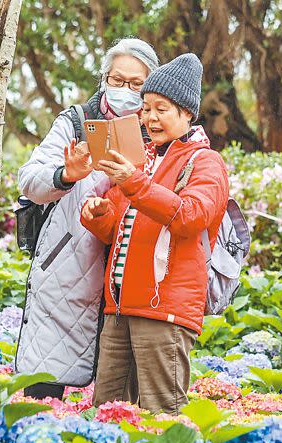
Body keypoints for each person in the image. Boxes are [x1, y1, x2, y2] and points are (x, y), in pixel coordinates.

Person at [80, 53, 229, 414]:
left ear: (187, 113)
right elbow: (116, 224)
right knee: (108, 413)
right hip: (119, 308)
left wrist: (133, 181)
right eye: (146, 109)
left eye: (161, 109)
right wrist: (97, 214)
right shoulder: (143, 159)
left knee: (162, 414)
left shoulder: (206, 162)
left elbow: (191, 217)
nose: (149, 118)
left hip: (166, 311)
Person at [15, 38, 159, 399]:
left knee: (118, 404)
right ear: (104, 78)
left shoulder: (159, 132)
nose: (125, 90)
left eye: (136, 84)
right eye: (117, 79)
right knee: (45, 385)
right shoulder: (76, 122)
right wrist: (67, 173)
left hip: (128, 275)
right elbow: (30, 180)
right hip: (66, 270)